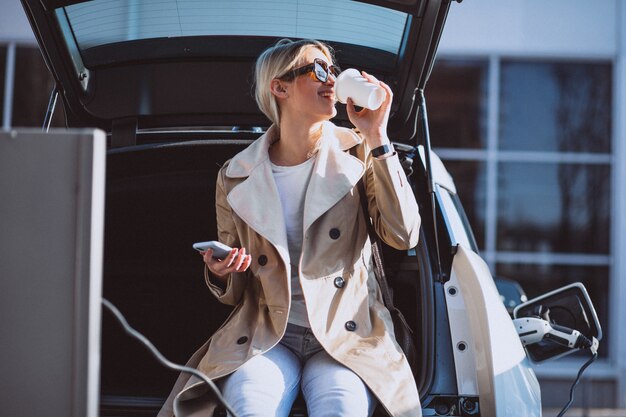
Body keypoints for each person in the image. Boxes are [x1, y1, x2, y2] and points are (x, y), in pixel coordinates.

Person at [158, 38, 421, 417]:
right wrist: (222, 271)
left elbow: (403, 234)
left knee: (342, 408)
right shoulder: (236, 175)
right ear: (279, 87)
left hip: (347, 334)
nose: (331, 80)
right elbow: (236, 293)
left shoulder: (359, 153)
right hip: (268, 333)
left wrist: (377, 136)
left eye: (332, 70)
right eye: (317, 70)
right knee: (248, 406)